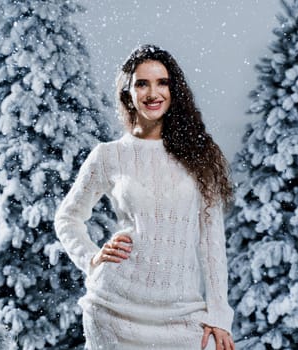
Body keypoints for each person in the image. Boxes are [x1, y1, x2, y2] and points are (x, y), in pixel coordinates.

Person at [54, 44, 235, 350]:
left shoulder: (199, 155)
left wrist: (219, 315)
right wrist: (91, 257)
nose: (153, 93)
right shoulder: (108, 156)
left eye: (162, 82)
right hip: (113, 308)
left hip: (182, 313)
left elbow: (211, 239)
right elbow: (67, 217)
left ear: (174, 90)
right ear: (128, 93)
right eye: (142, 83)